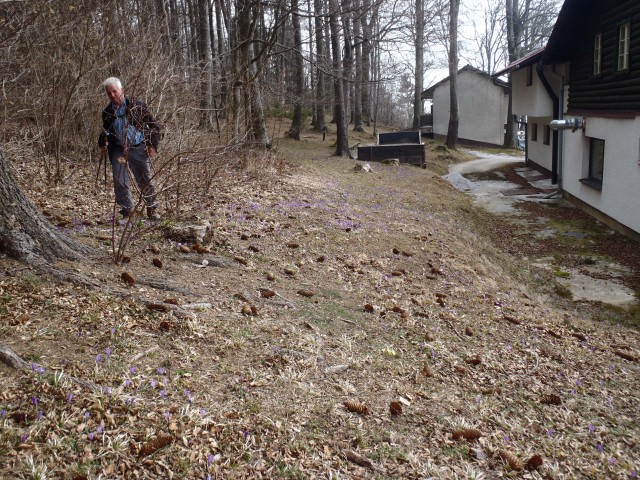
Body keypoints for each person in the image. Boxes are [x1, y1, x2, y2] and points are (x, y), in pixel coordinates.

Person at [98, 77, 161, 221]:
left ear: (122, 90)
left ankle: (152, 208)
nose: (113, 95)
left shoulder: (136, 106)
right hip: (118, 149)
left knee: (144, 178)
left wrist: (152, 145)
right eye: (109, 93)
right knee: (120, 180)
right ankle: (127, 212)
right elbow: (106, 131)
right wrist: (103, 142)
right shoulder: (107, 112)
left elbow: (154, 126)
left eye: (115, 91)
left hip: (138, 147)